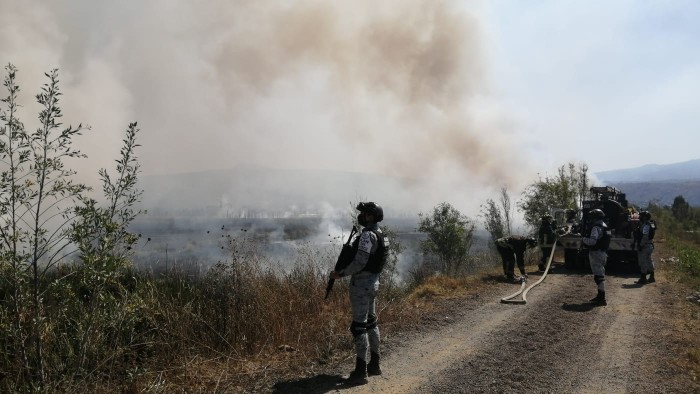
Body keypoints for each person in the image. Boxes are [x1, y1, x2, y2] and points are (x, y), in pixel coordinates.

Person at [330, 202, 389, 385]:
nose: (361, 216)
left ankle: (361, 371)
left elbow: (360, 262)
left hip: (361, 284)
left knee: (359, 327)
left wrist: (341, 274)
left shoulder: (367, 236)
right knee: (371, 323)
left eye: (364, 213)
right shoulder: (383, 236)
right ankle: (375, 365)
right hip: (373, 283)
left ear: (371, 216)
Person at [581, 208, 610, 306]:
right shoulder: (605, 226)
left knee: (598, 276)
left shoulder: (596, 227)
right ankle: (600, 296)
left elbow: (593, 241)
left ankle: (602, 298)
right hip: (603, 252)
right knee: (600, 274)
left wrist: (583, 239)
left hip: (596, 253)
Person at [633, 210, 656, 284]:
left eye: (641, 216)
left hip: (645, 246)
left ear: (645, 217)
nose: (640, 217)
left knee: (643, 262)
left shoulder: (646, 225)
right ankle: (652, 277)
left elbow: (645, 236)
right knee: (649, 261)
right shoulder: (651, 224)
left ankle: (643, 279)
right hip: (650, 245)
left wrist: (640, 245)